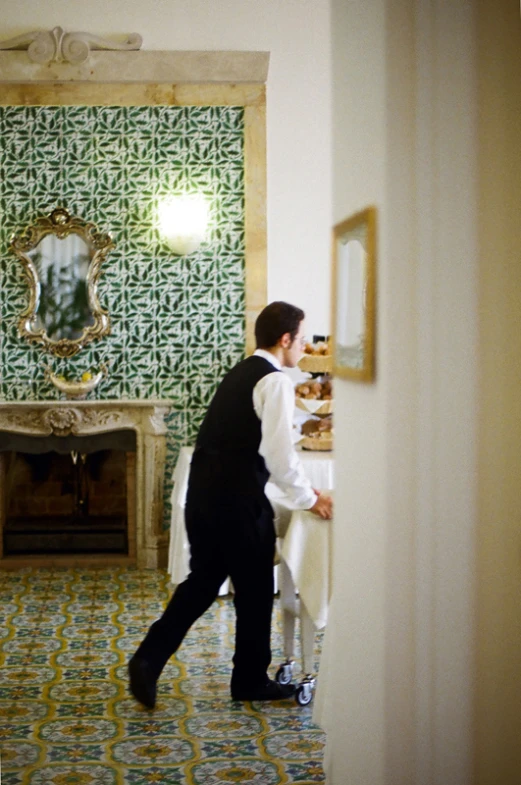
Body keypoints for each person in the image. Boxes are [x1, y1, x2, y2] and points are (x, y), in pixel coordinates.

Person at [128, 301, 333, 708]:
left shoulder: (241, 372)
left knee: (203, 583)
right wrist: (310, 499)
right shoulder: (273, 381)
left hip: (204, 498)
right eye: (302, 337)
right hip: (237, 503)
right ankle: (250, 681)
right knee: (256, 592)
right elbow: (278, 455)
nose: (305, 345)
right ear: (285, 339)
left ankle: (148, 659)